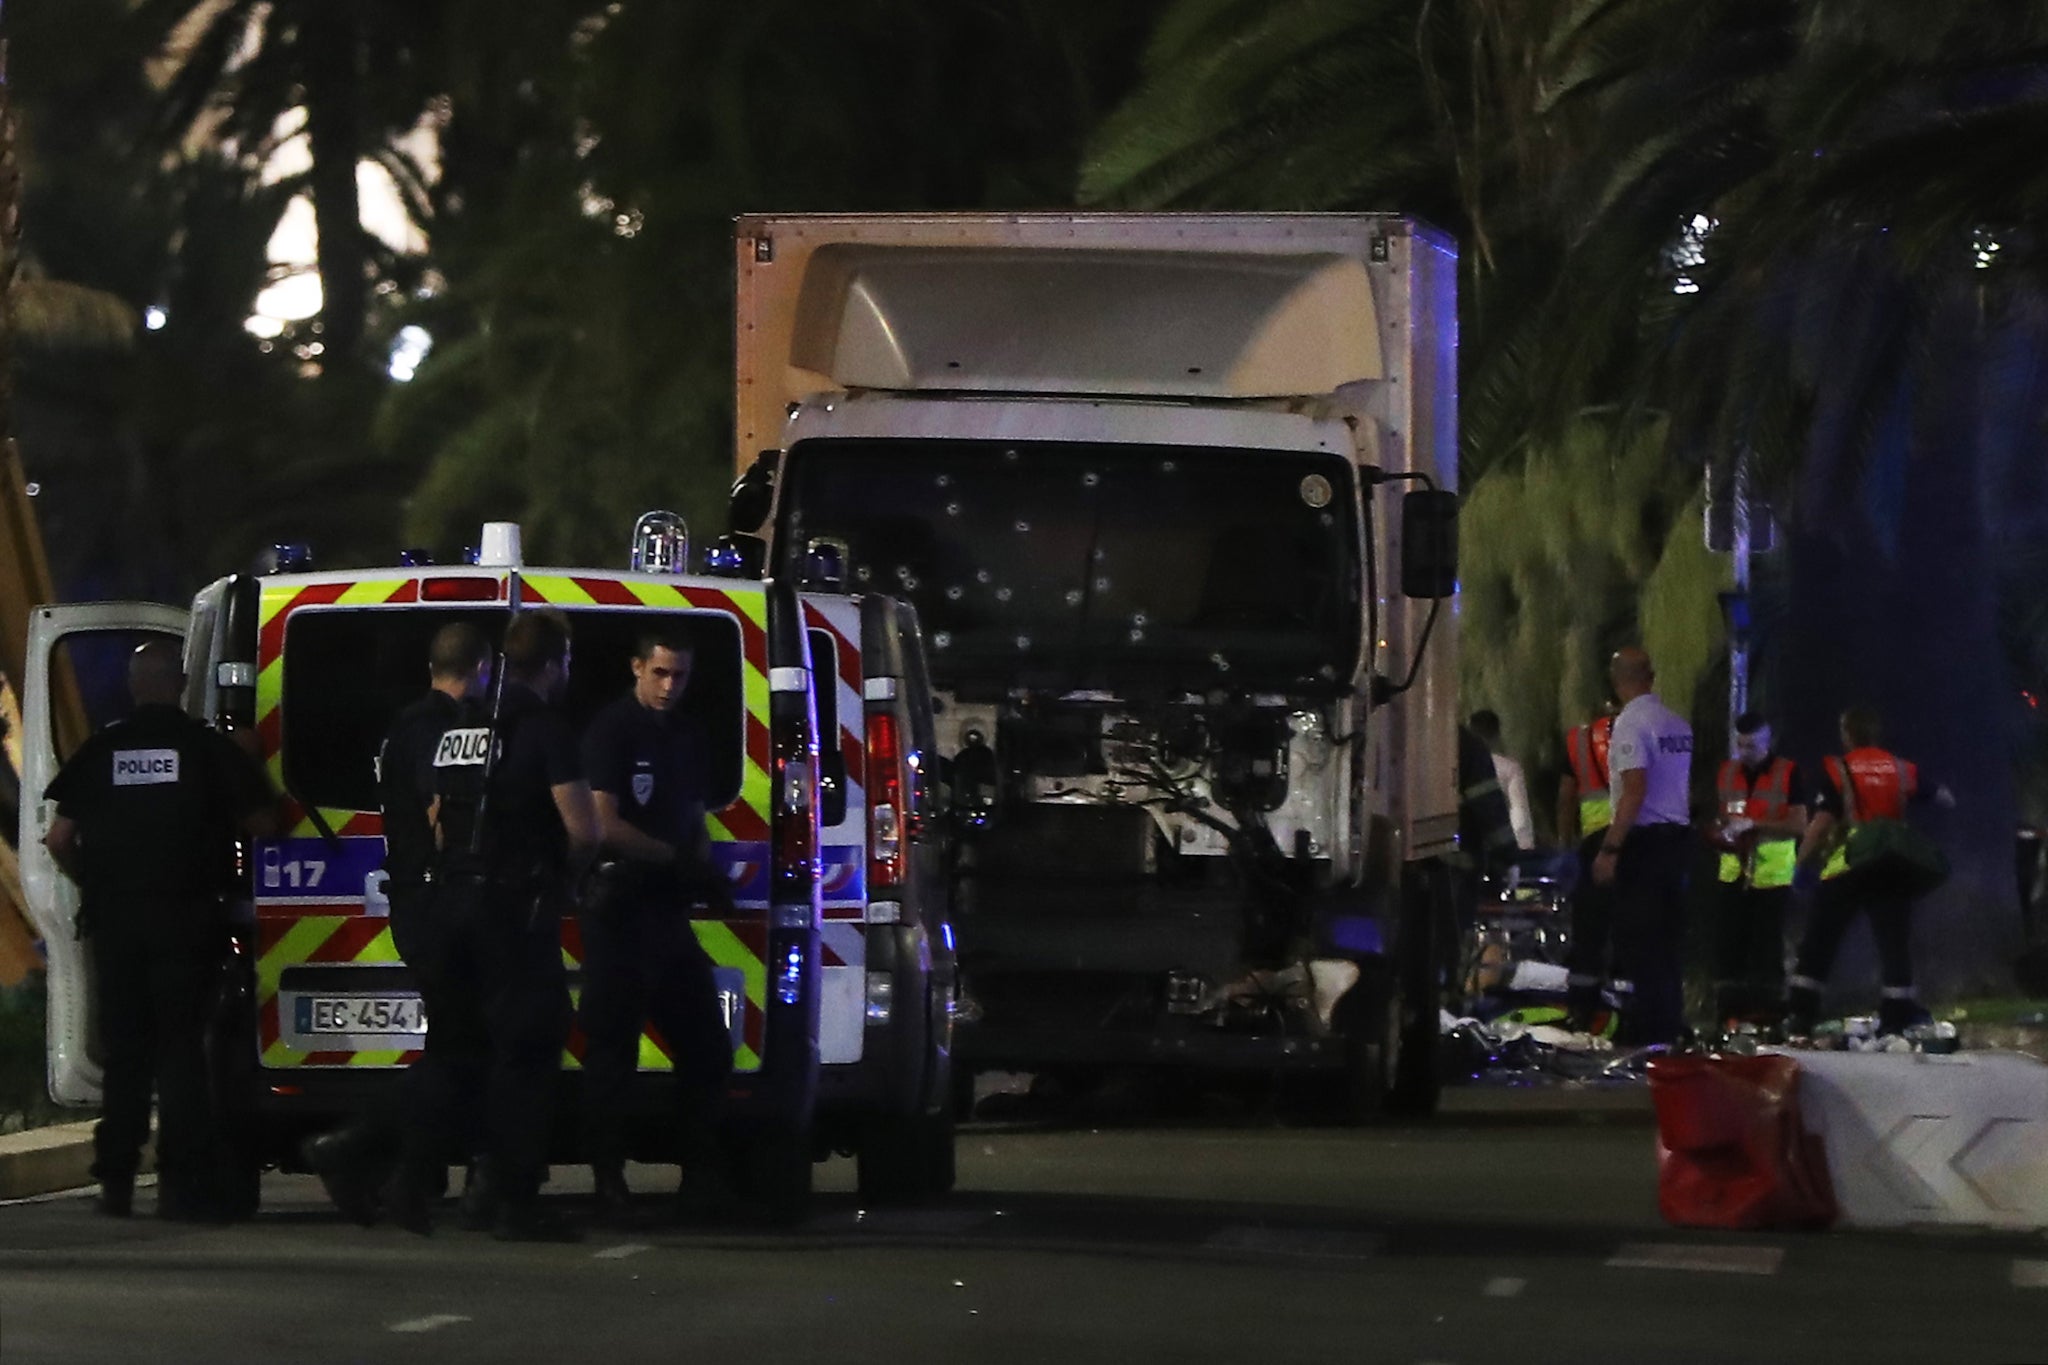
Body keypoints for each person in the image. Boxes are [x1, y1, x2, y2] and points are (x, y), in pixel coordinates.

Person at [384, 609, 597, 1241]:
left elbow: (435, 817)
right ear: (557, 664)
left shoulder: (464, 730)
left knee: (456, 1049)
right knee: (528, 1050)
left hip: (451, 904)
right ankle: (513, 1199)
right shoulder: (545, 728)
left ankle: (407, 1180)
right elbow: (583, 830)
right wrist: (566, 875)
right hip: (512, 910)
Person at [42, 640, 273, 1220]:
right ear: (181, 683)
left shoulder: (104, 749)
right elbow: (265, 826)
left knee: (125, 1055)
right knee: (180, 1054)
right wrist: (249, 767)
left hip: (117, 926)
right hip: (187, 922)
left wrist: (92, 884)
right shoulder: (205, 749)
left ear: (132, 685)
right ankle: (182, 1183)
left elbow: (58, 839)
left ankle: (115, 1182)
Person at [303, 622, 493, 1226]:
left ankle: (409, 1178)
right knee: (459, 1054)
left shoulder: (406, 724)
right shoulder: (439, 730)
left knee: (456, 1049)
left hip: (419, 903)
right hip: (438, 903)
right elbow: (445, 813)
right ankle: (352, 1147)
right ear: (482, 669)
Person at [578, 627, 739, 1226]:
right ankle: (609, 1182)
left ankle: (700, 1178)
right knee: (612, 1055)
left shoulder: (686, 734)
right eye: (660, 673)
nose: (670, 685)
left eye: (680, 675)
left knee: (706, 1049)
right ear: (637, 667)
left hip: (666, 915)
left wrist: (705, 870)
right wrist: (677, 860)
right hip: (620, 911)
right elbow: (603, 824)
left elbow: (692, 812)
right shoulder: (613, 730)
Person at [1784, 705, 1954, 1038]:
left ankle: (1801, 1014)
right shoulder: (1901, 769)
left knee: (1821, 938)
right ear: (1876, 733)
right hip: (1891, 863)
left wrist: (1801, 862)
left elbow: (1821, 823)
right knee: (1894, 942)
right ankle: (1898, 1015)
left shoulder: (1837, 769)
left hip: (1850, 862)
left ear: (1847, 733)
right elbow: (1945, 798)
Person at [1589, 647, 1694, 1045]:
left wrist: (1610, 849)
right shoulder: (1677, 725)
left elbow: (1635, 790)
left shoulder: (1631, 727)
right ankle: (1670, 1026)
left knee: (1640, 940)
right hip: (1677, 842)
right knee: (1668, 943)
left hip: (1645, 844)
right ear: (1651, 677)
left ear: (1616, 682)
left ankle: (1649, 1030)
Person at [1707, 712, 1809, 1029]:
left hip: (1771, 877)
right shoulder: (1726, 772)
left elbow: (1798, 824)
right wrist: (1720, 832)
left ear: (1767, 741)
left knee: (1766, 950)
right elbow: (1722, 815)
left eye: (1751, 745)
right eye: (1740, 745)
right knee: (1729, 950)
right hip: (1733, 875)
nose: (1744, 752)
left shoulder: (1788, 773)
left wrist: (1755, 825)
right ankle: (1729, 1018)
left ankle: (1768, 1018)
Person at [1559, 702, 1616, 1030]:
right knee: (1627, 930)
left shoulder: (1577, 742)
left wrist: (1566, 845)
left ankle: (1581, 1012)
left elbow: (1566, 797)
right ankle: (1625, 1012)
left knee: (1587, 934)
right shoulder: (1638, 734)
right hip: (1631, 844)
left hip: (1591, 844)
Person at [1468, 711, 1535, 852]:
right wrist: (1524, 847)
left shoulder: (1460, 768)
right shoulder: (1509, 769)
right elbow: (1519, 813)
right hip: (1502, 846)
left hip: (1473, 847)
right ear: (1496, 735)